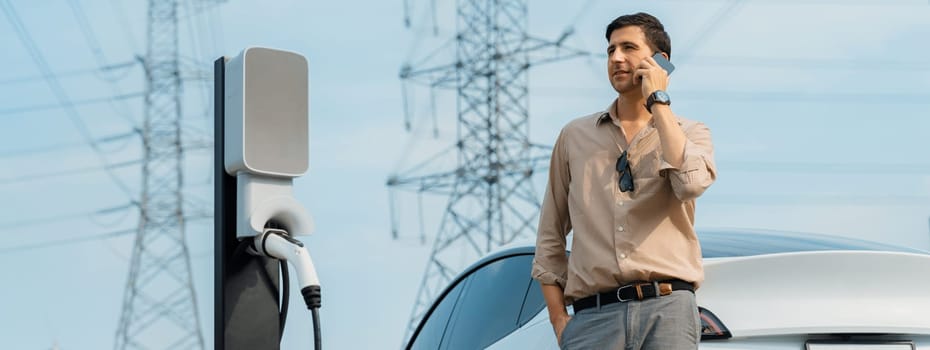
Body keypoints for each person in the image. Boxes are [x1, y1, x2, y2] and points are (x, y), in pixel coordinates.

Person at [531, 12, 717, 350]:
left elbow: (689, 185)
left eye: (629, 48)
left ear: (661, 62)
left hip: (668, 312)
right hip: (593, 320)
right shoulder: (574, 136)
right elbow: (550, 236)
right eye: (610, 49)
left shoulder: (690, 133)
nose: (616, 58)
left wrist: (658, 100)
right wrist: (560, 320)